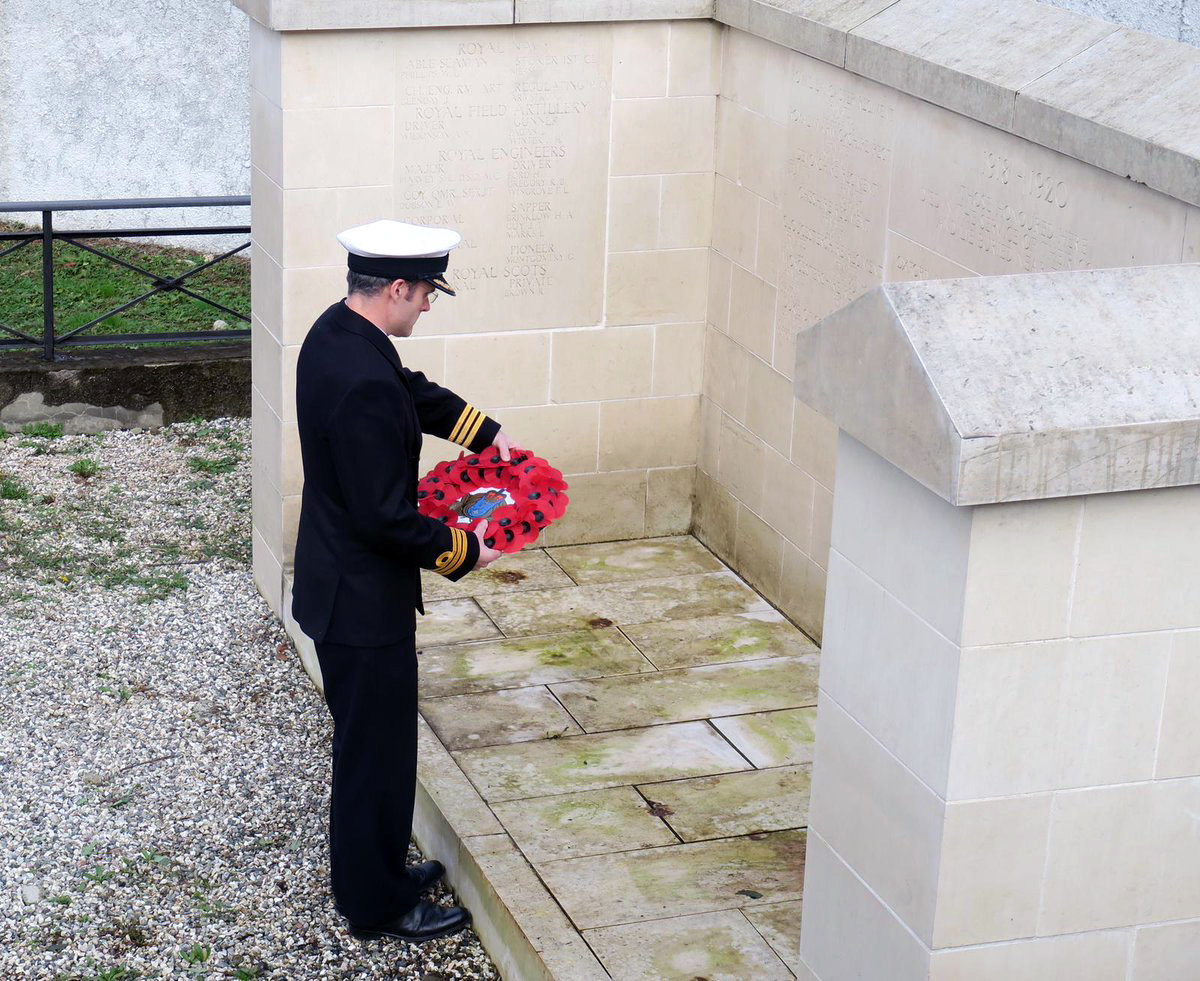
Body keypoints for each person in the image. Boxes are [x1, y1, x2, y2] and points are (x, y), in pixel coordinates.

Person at [291, 219, 514, 942]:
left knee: (379, 750)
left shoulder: (339, 335)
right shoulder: (358, 379)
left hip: (345, 588)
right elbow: (383, 518)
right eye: (425, 294)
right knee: (373, 758)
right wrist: (462, 549)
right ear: (394, 288)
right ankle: (376, 904)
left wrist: (478, 427)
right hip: (361, 604)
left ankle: (381, 870)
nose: (427, 305)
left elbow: (406, 391)